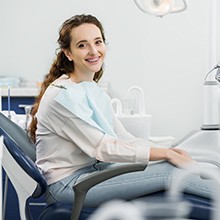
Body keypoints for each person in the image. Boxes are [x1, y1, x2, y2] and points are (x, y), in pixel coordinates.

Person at [29, 14, 213, 207]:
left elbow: (122, 136)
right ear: (68, 53)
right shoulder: (61, 97)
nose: (93, 51)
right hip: (68, 186)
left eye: (98, 42)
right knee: (170, 174)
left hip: (92, 172)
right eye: (82, 45)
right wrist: (165, 155)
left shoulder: (90, 87)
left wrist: (169, 152)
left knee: (170, 165)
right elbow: (104, 148)